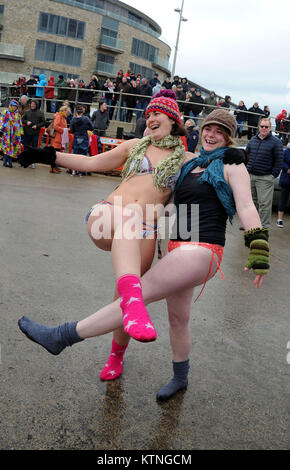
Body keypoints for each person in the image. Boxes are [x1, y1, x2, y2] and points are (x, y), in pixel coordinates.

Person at [18, 109, 269, 402]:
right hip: (179, 248)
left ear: (229, 137)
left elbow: (247, 207)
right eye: (208, 129)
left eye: (220, 132)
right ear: (200, 131)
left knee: (137, 293)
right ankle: (180, 377)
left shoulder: (231, 163)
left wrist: (259, 249)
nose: (212, 135)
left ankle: (62, 336)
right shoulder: (192, 163)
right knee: (178, 319)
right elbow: (170, 207)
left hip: (202, 249)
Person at [17, 90, 190, 351]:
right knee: (130, 216)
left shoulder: (186, 160)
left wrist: (230, 159)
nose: (151, 118)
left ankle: (116, 356)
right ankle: (133, 304)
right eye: (149, 114)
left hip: (145, 231)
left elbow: (207, 181)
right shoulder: (135, 146)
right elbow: (91, 162)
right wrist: (50, 156)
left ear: (173, 120)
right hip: (109, 214)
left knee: (123, 302)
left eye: (157, 114)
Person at [246, 117, 283, 228]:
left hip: (265, 178)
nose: (264, 128)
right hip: (251, 176)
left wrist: (273, 175)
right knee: (251, 203)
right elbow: (246, 155)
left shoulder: (276, 142)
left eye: (266, 127)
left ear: (270, 128)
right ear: (259, 127)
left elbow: (279, 160)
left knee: (264, 205)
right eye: (262, 126)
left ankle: (263, 228)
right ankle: (251, 224)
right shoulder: (253, 140)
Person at [69, 105, 93, 177]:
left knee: (75, 154)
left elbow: (72, 130)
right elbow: (92, 127)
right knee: (83, 155)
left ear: (76, 112)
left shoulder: (73, 119)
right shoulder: (86, 119)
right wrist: (86, 128)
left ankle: (73, 171)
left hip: (76, 137)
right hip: (84, 137)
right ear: (82, 112)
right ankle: (80, 172)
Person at [22, 100, 45, 169]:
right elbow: (22, 119)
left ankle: (33, 162)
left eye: (34, 104)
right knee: (26, 147)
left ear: (36, 105)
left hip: (35, 133)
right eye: (31, 104)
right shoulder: (27, 112)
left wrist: (37, 126)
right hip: (27, 132)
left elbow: (43, 122)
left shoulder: (40, 113)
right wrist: (26, 122)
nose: (32, 105)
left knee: (34, 148)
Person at [0, 100, 23, 167]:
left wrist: (20, 132)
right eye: (13, 106)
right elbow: (2, 121)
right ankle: (6, 162)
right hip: (7, 134)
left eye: (15, 107)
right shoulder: (5, 112)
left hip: (14, 135)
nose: (14, 108)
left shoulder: (17, 115)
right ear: (10, 106)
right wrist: (1, 129)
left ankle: (9, 162)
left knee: (12, 148)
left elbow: (19, 124)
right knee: (7, 148)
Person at [49, 105, 71, 173]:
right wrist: (64, 130)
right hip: (57, 138)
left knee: (56, 153)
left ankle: (54, 167)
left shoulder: (62, 117)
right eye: (67, 112)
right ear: (64, 110)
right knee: (55, 154)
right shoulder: (59, 116)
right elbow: (56, 126)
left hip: (59, 138)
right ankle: (53, 168)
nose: (68, 114)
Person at [276, 143, 290, 227]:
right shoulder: (286, 151)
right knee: (283, 200)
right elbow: (281, 161)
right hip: (286, 179)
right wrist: (287, 168)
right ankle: (279, 220)